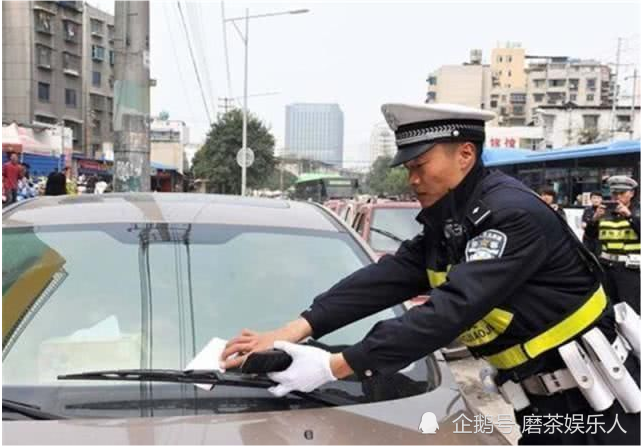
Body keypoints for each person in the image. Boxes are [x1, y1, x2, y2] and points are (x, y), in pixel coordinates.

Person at [221, 103, 640, 445]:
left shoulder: (512, 216)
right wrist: (291, 331)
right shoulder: (451, 222)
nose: (413, 179)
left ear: (465, 155)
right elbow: (383, 280)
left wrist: (335, 366)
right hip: (546, 408)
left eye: (420, 165)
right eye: (408, 168)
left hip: (604, 409)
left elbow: (450, 310)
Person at [585, 176, 640, 314]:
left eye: (622, 193)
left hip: (629, 269)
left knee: (630, 311)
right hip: (606, 267)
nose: (617, 197)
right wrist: (595, 219)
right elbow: (589, 237)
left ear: (632, 193)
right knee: (607, 309)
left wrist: (629, 216)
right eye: (615, 193)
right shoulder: (604, 211)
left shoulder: (637, 211)